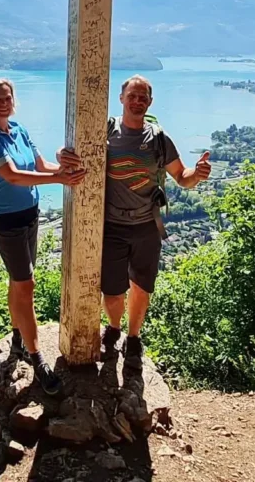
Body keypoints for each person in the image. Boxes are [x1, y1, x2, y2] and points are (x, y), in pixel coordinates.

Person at [59, 74, 211, 362]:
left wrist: (198, 174)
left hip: (146, 225)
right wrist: (61, 153)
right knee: (113, 290)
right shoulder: (106, 130)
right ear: (121, 99)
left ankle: (133, 338)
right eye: (132, 96)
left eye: (143, 97)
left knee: (142, 287)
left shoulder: (158, 138)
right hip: (112, 226)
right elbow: (75, 151)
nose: (137, 101)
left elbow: (181, 176)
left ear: (150, 102)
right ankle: (114, 329)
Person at [0, 77, 85, 394]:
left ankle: (19, 336)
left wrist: (64, 170)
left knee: (18, 282)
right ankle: (37, 359)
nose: (3, 102)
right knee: (27, 284)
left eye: (7, 97)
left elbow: (39, 165)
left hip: (29, 215)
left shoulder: (19, 130)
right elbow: (12, 176)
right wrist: (60, 180)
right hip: (6, 219)